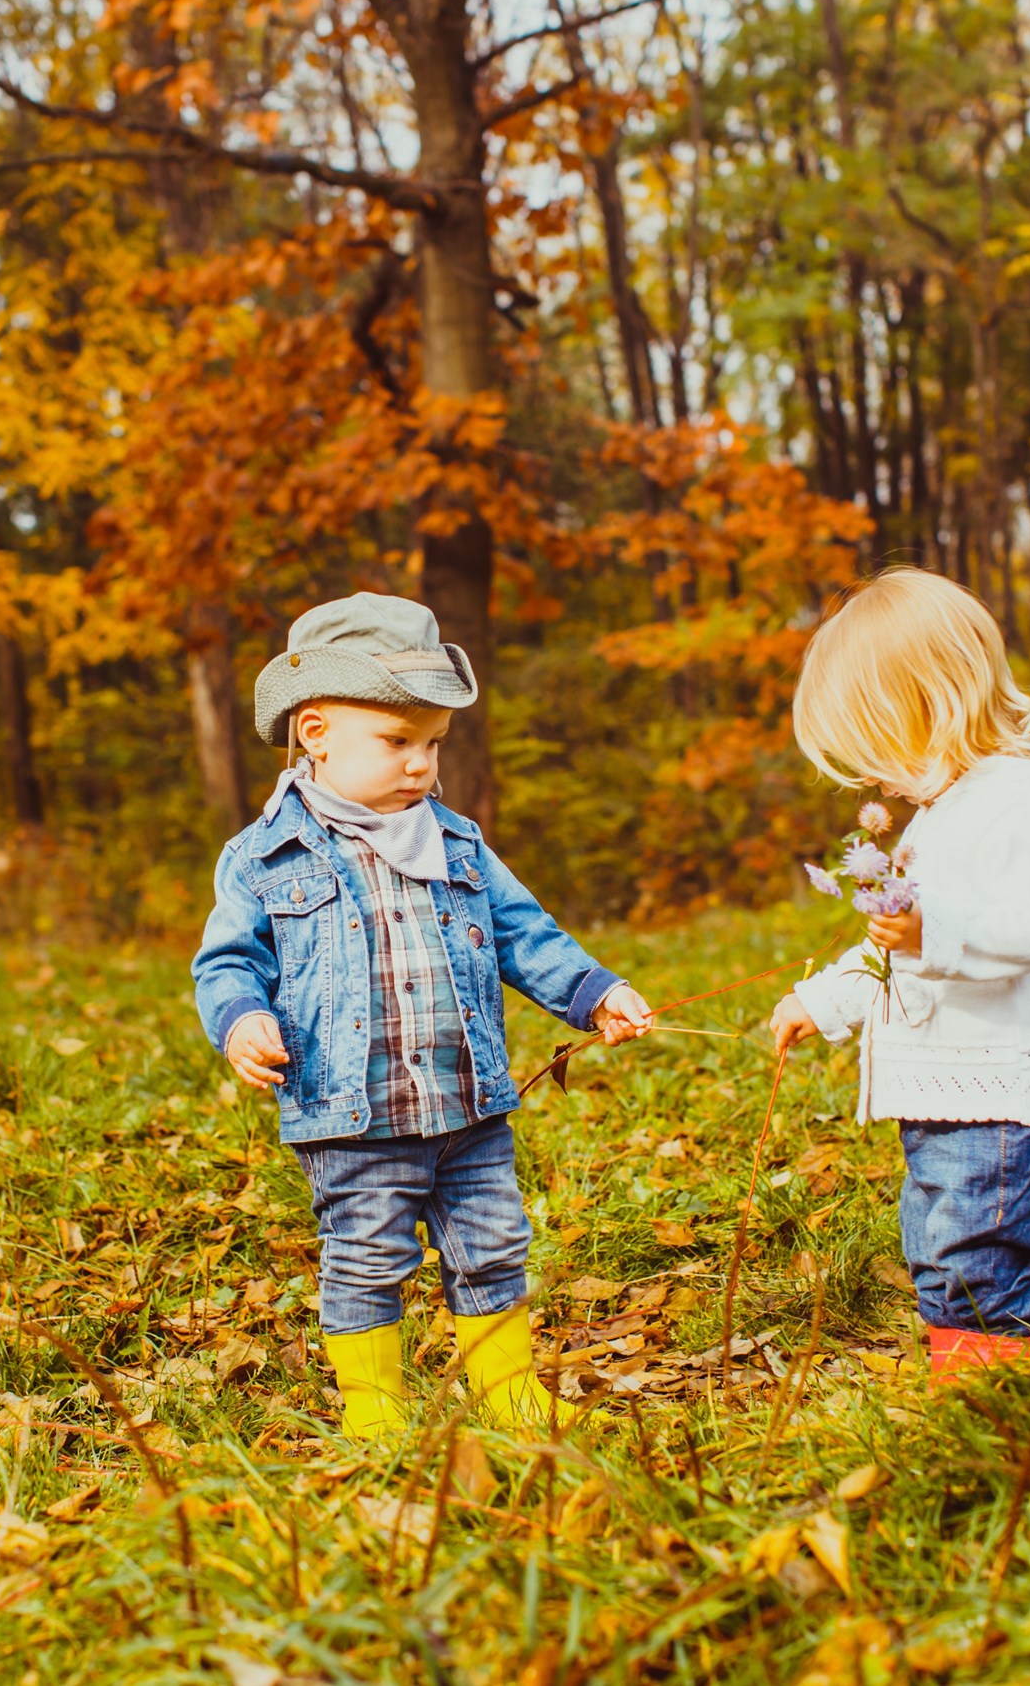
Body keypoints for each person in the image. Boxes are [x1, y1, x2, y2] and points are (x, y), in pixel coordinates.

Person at [193, 594, 653, 1440]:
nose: (420, 764)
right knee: (367, 1255)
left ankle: (508, 1388)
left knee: (494, 1243)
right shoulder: (263, 857)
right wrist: (241, 1018)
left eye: (434, 743)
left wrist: (594, 993)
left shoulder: (457, 841)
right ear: (316, 731)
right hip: (354, 1114)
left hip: (467, 1104)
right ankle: (377, 1407)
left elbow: (524, 935)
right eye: (396, 741)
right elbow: (227, 962)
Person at [768, 569, 1030, 1380]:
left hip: (1007, 1104)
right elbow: (894, 949)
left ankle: (995, 1396)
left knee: (979, 1263)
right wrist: (821, 1000)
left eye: (872, 747)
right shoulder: (938, 817)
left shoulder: (1017, 799)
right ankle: (970, 1388)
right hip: (956, 1099)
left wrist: (935, 930)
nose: (870, 779)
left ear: (926, 705)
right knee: (942, 1252)